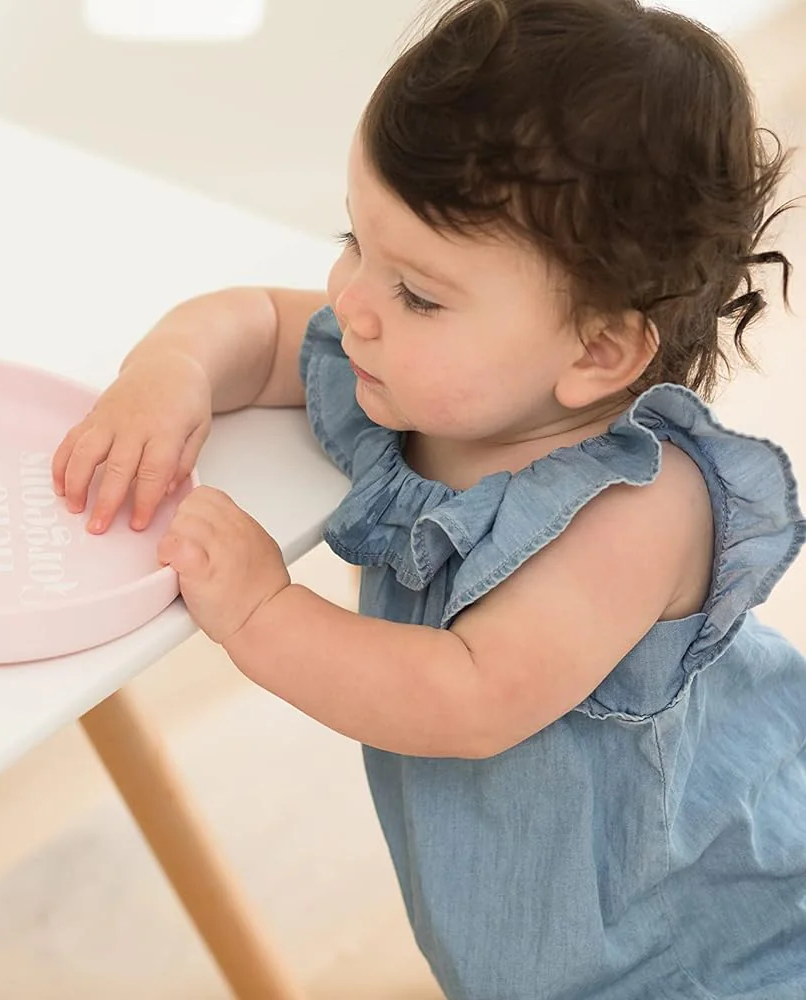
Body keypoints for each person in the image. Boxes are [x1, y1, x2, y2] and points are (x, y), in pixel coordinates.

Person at [50, 0, 806, 996]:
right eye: (354, 239)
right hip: (535, 927)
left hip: (707, 940)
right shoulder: (421, 376)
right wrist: (171, 374)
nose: (351, 302)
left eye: (418, 292)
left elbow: (468, 696)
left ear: (597, 351)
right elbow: (258, 326)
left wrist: (263, 610)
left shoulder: (636, 511)